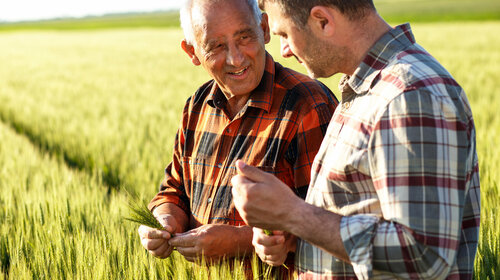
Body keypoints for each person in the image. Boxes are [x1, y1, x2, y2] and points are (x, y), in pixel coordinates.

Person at [231, 0, 481, 279]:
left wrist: (295, 214)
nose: (284, 51)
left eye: (284, 35)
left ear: (322, 21)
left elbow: (422, 254)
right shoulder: (367, 88)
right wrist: (294, 234)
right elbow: (361, 213)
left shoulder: (408, 95)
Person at [137, 0, 337, 271]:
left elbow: (333, 227)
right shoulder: (197, 106)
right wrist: (165, 222)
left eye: (244, 37)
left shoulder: (307, 106)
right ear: (192, 52)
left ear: (264, 29)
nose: (236, 58)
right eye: (216, 46)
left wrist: (239, 242)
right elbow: (173, 190)